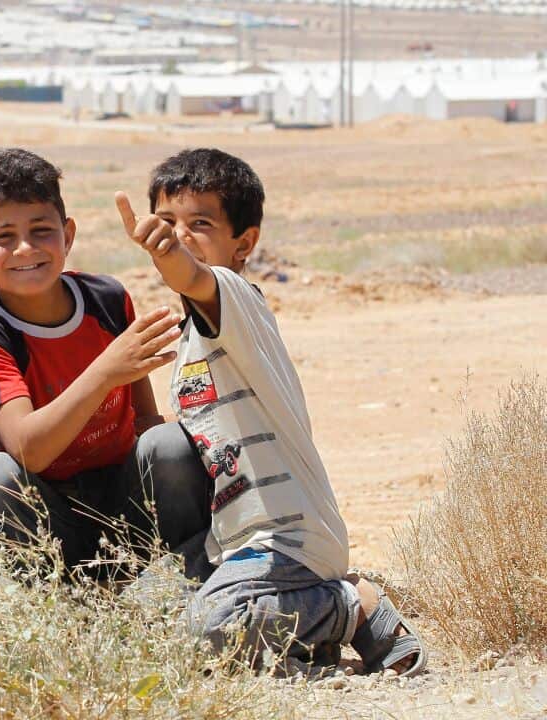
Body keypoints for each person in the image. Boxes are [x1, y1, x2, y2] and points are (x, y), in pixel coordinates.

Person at [119, 147, 426, 675]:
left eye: (199, 224)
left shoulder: (236, 300)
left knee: (209, 628)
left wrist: (169, 250)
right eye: (167, 221)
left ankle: (351, 606)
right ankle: (303, 641)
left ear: (244, 245)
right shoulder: (191, 333)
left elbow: (193, 276)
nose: (179, 235)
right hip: (229, 542)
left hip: (288, 539)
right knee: (132, 623)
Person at [0, 148, 210, 578]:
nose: (26, 248)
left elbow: (143, 417)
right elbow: (30, 451)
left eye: (41, 230)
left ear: (67, 235)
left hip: (125, 507)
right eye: (3, 237)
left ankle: (170, 578)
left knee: (170, 443)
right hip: (48, 516)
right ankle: (58, 591)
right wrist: (105, 371)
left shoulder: (105, 299)